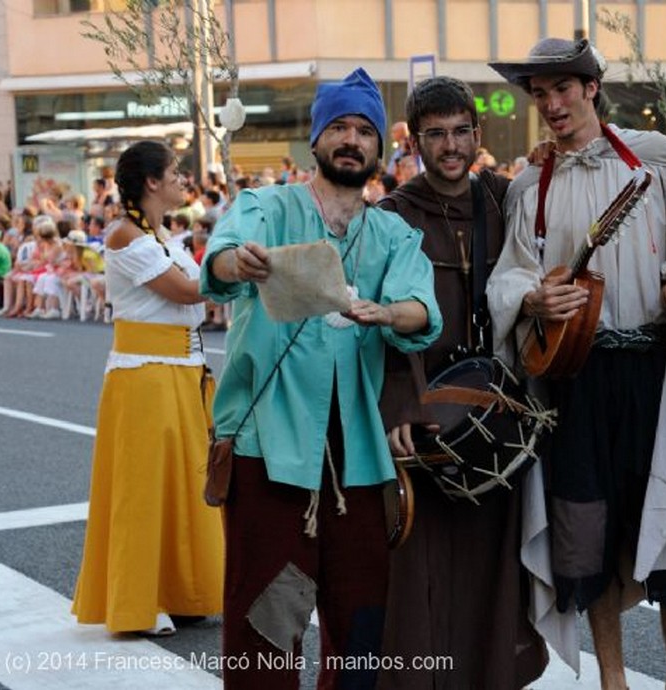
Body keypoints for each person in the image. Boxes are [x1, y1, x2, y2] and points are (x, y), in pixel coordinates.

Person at [485, 37, 666, 690]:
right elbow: (509, 277)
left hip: (654, 368)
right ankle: (611, 678)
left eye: (563, 89)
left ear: (592, 88)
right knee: (583, 526)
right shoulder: (530, 187)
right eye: (540, 94)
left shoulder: (659, 162)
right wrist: (532, 295)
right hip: (573, 381)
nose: (552, 104)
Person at [201, 68, 442, 690]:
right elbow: (222, 260)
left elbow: (421, 310)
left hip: (359, 454)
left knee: (360, 619)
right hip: (269, 447)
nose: (351, 139)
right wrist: (242, 262)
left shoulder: (393, 233)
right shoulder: (266, 207)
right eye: (338, 126)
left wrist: (388, 312)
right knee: (267, 624)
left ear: (379, 147)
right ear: (315, 140)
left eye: (365, 129)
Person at [375, 75, 547, 690]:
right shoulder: (391, 215)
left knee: (493, 569)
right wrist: (401, 405)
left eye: (460, 131)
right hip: (426, 416)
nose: (451, 146)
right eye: (436, 134)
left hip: (497, 412)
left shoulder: (505, 200)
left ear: (478, 133)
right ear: (415, 140)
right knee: (421, 569)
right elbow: (379, 323)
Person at [71, 140, 223, 637]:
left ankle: (182, 592)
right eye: (176, 172)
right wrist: (233, 267)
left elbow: (194, 296)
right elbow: (184, 292)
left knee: (183, 485)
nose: (183, 179)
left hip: (181, 370)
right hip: (144, 375)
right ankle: (140, 600)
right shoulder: (123, 236)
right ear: (152, 182)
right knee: (142, 491)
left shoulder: (165, 236)